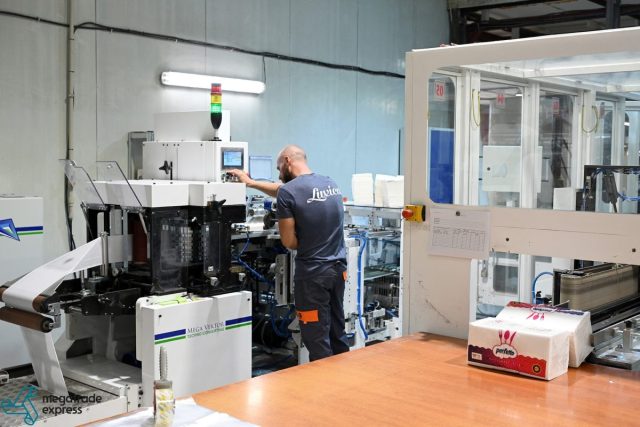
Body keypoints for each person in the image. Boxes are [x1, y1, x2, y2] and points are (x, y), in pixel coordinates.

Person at [229, 145, 350, 361]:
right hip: (337, 271)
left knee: (316, 339)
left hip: (313, 276)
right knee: (336, 332)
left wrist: (306, 235)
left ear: (287, 160)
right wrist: (251, 183)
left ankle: (325, 382)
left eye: (278, 168)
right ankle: (344, 378)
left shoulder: (289, 192)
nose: (278, 175)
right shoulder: (329, 182)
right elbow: (284, 190)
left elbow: (289, 242)